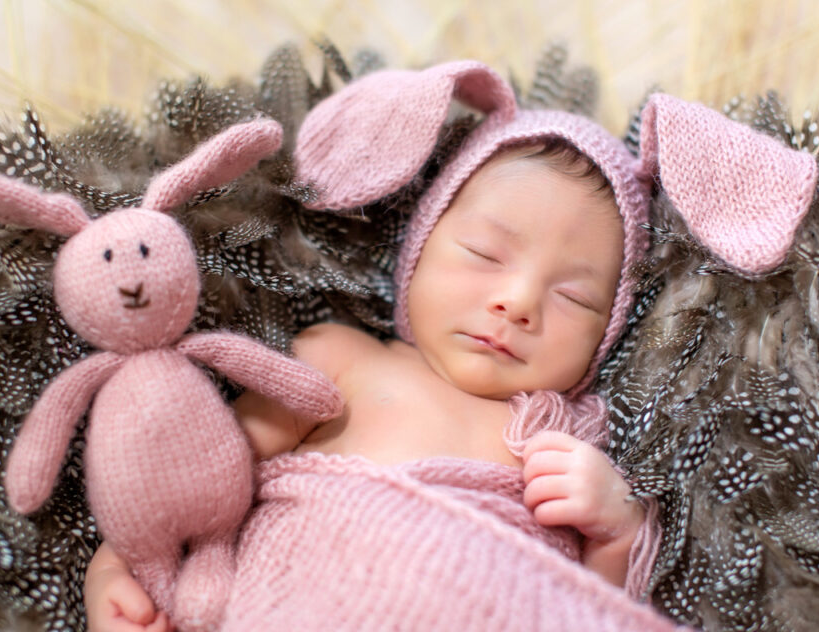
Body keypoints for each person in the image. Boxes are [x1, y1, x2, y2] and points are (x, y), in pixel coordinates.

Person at [84, 62, 659, 632]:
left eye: (573, 298)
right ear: (421, 245)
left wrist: (618, 530)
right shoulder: (342, 359)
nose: (519, 301)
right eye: (485, 254)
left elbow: (586, 609)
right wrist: (116, 570)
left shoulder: (569, 439)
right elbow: (197, 479)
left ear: (607, 329)